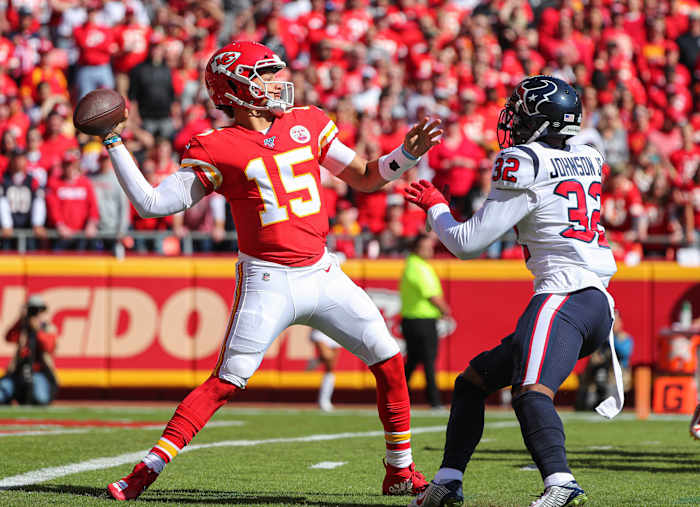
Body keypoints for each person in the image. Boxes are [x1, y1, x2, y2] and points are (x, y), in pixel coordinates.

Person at [102, 41, 442, 501]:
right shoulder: (217, 146)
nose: (278, 81)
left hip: (322, 271)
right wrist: (113, 142)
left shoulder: (307, 121)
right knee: (226, 380)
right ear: (235, 89)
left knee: (389, 358)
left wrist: (403, 154)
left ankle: (400, 470)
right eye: (264, 74)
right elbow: (151, 204)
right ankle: (145, 469)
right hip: (268, 279)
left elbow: (364, 175)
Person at [405, 76, 621, 507]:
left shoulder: (524, 161)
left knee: (529, 390)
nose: (513, 121)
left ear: (539, 121)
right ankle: (448, 481)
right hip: (595, 301)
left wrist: (435, 206)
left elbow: (466, 243)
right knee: (473, 381)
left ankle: (561, 482)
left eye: (520, 113)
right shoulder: (588, 156)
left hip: (564, 294)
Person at [400, 233, 450, 408]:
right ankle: (434, 401)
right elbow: (431, 295)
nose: (430, 250)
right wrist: (446, 310)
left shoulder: (414, 265)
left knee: (413, 362)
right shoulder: (418, 267)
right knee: (428, 360)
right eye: (426, 247)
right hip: (422, 320)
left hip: (413, 320)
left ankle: (397, 395)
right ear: (416, 249)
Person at [0, 295, 59, 405]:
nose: (35, 314)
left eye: (37, 311)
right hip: (18, 373)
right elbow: (9, 337)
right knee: (2, 392)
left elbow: (48, 347)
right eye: (32, 310)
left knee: (40, 398)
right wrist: (20, 319)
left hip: (39, 372)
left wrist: (37, 329)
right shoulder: (22, 328)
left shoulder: (48, 328)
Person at [575, 309, 633, 411]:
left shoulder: (624, 338)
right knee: (587, 395)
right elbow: (592, 359)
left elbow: (625, 353)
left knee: (610, 392)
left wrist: (611, 339)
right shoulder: (600, 339)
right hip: (596, 376)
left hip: (614, 377)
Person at [309, 328, 341, 412]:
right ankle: (318, 360)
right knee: (327, 356)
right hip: (320, 330)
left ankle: (324, 400)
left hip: (335, 331)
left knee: (330, 369)